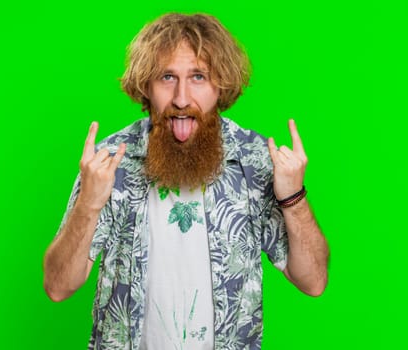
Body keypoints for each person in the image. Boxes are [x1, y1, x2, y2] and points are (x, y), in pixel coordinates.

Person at [43, 13, 329, 350]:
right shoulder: (108, 164)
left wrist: (293, 195)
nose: (181, 98)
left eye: (198, 77)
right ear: (145, 86)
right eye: (167, 77)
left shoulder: (254, 162)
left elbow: (313, 282)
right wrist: (89, 204)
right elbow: (58, 287)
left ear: (220, 83)